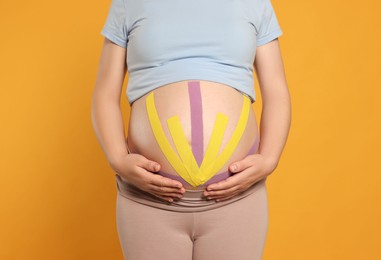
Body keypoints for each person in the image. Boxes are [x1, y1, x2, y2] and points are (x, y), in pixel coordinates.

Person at [91, 0, 291, 258]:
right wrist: (118, 159)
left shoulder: (253, 3)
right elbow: (105, 93)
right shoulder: (130, 3)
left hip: (237, 198)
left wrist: (270, 159)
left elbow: (276, 89)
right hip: (149, 201)